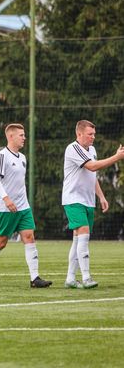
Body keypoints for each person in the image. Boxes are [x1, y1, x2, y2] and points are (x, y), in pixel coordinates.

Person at [0, 123, 52, 288]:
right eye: (21, 135)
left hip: (23, 207)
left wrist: (21, 201)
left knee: (29, 236)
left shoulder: (22, 158)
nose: (24, 138)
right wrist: (6, 199)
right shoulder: (2, 156)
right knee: (1, 242)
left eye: (24, 135)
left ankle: (35, 278)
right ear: (10, 136)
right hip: (5, 208)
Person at [62, 120, 124, 289]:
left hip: (87, 201)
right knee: (84, 235)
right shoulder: (73, 148)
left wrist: (101, 196)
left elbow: (92, 176)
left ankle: (70, 279)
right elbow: (92, 166)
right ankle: (86, 277)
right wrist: (117, 157)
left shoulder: (92, 150)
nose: (93, 137)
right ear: (79, 134)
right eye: (90, 134)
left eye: (94, 134)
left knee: (77, 239)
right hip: (73, 199)